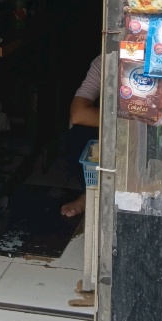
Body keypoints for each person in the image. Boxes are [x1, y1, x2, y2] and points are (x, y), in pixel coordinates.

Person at [61, 54, 100, 218]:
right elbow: (78, 113)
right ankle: (89, 194)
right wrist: (129, 120)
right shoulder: (105, 61)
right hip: (117, 125)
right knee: (79, 134)